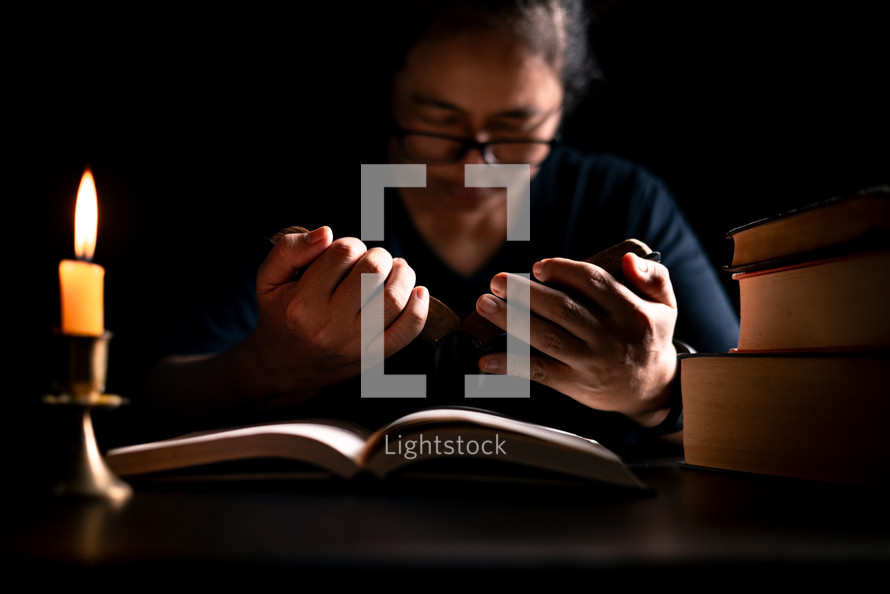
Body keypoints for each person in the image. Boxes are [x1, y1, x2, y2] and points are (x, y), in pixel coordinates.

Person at [141, 0, 739, 454]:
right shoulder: (310, 198)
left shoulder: (621, 199)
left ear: (563, 107)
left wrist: (657, 391)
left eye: (517, 128)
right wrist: (273, 365)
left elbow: (757, 411)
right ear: (394, 92)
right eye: (437, 120)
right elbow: (152, 398)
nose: (476, 165)